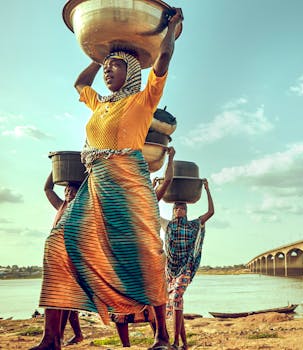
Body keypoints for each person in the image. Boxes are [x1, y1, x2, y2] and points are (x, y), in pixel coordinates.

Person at [31, 7, 183, 350]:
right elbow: (80, 83)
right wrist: (100, 57)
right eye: (107, 67)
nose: (107, 73)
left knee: (145, 254)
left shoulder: (144, 101)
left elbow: (164, 60)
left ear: (130, 73)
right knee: (58, 246)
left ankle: (161, 335)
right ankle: (51, 338)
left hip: (129, 182)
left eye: (115, 66)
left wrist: (171, 29)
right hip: (95, 183)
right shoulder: (99, 104)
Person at [112, 146, 175, 347]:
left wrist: (170, 158)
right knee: (120, 303)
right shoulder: (120, 198)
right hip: (123, 255)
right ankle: (126, 346)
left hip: (147, 254)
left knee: (153, 298)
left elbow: (168, 180)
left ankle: (161, 338)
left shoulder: (151, 199)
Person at [161, 180, 214, 350]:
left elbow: (211, 212)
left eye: (182, 209)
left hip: (186, 267)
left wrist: (207, 189)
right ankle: (184, 344)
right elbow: (150, 211)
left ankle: (175, 342)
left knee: (176, 297)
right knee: (178, 303)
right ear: (173, 211)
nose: (179, 211)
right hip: (170, 270)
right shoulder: (167, 225)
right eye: (176, 208)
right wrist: (155, 187)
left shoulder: (193, 225)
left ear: (186, 211)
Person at [44, 172, 84, 346]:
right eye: (67, 190)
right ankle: (58, 337)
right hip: (57, 256)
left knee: (63, 298)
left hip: (71, 256)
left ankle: (57, 338)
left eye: (73, 190)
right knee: (66, 300)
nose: (68, 193)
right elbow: (47, 189)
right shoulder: (61, 205)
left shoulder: (81, 207)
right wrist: (55, 169)